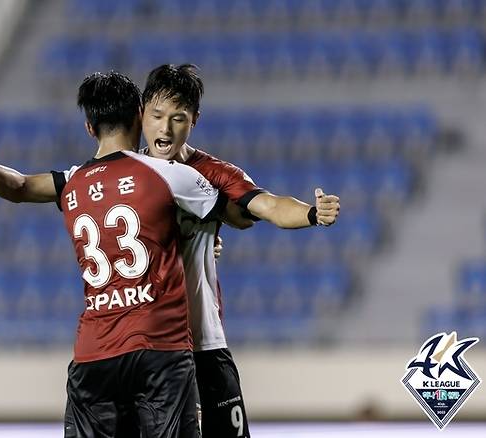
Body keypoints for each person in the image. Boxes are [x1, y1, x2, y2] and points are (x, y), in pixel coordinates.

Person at [0, 71, 234, 437]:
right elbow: (239, 208)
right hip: (157, 348)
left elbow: (20, 185)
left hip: (93, 354)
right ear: (141, 114)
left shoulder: (73, 181)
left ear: (89, 127)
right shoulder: (164, 173)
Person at [139, 63, 341, 437]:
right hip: (143, 349)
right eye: (157, 116)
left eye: (178, 118)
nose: (165, 129)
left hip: (203, 342)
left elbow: (266, 205)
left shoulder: (212, 173)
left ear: (194, 120)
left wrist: (313, 213)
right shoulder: (121, 176)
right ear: (141, 113)